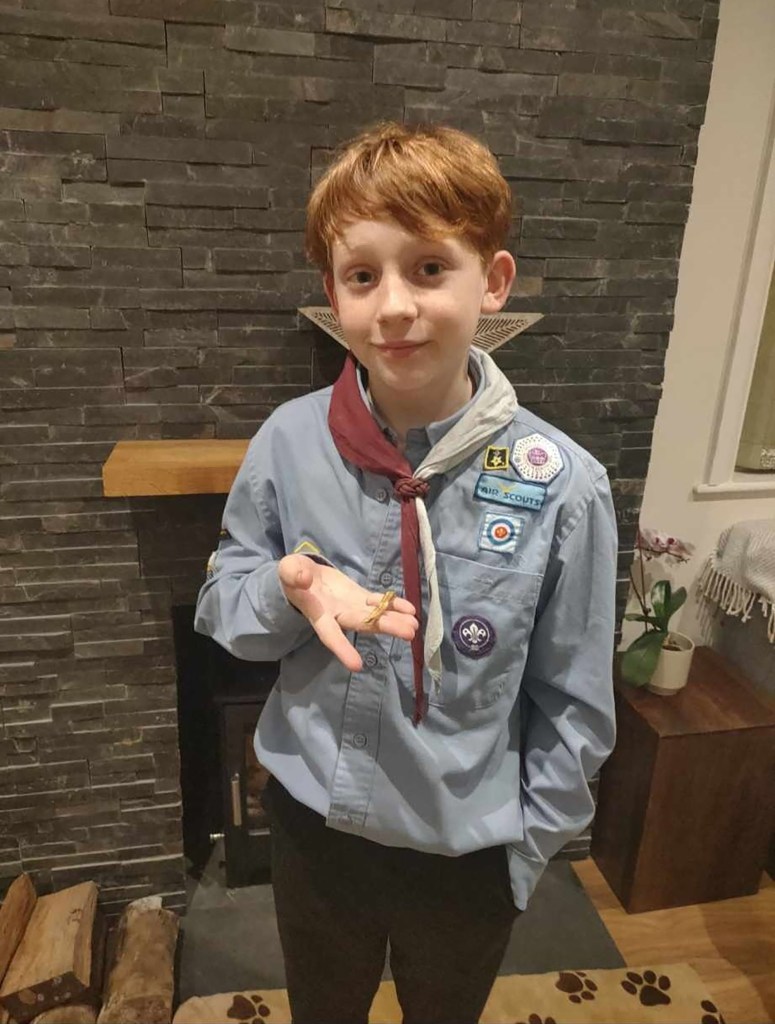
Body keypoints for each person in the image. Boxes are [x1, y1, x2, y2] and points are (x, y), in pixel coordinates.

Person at [194, 121, 618, 1024]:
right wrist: (284, 588)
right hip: (316, 831)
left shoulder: (565, 486)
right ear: (333, 297)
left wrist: (524, 853)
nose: (393, 306)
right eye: (363, 275)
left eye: (429, 268)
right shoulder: (287, 442)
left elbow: (573, 700)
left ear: (492, 283)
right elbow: (223, 608)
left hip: (464, 850)